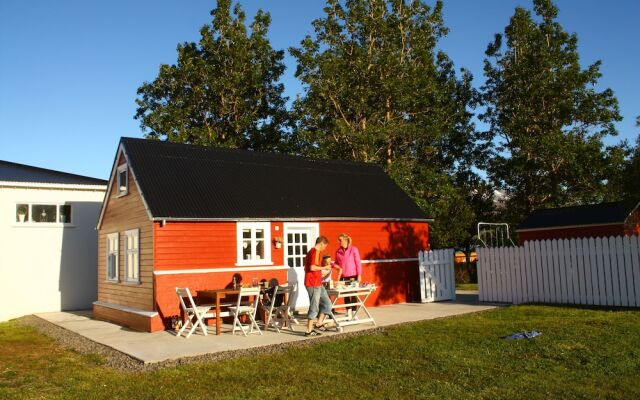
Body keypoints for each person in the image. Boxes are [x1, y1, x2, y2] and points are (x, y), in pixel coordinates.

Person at [304, 236, 333, 336]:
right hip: (312, 283)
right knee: (314, 306)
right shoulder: (315, 252)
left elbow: (313, 268)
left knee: (327, 303)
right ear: (321, 244)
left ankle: (319, 323)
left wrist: (322, 272)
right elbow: (312, 267)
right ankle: (308, 330)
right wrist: (324, 267)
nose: (325, 248)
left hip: (318, 283)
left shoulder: (314, 252)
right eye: (325, 246)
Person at [334, 233, 362, 318]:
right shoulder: (338, 251)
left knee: (353, 294)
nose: (340, 242)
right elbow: (336, 263)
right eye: (339, 241)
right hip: (343, 276)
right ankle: (348, 312)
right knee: (345, 295)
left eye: (341, 240)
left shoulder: (354, 249)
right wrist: (336, 267)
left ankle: (354, 313)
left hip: (353, 275)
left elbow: (358, 263)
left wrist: (359, 274)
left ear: (346, 240)